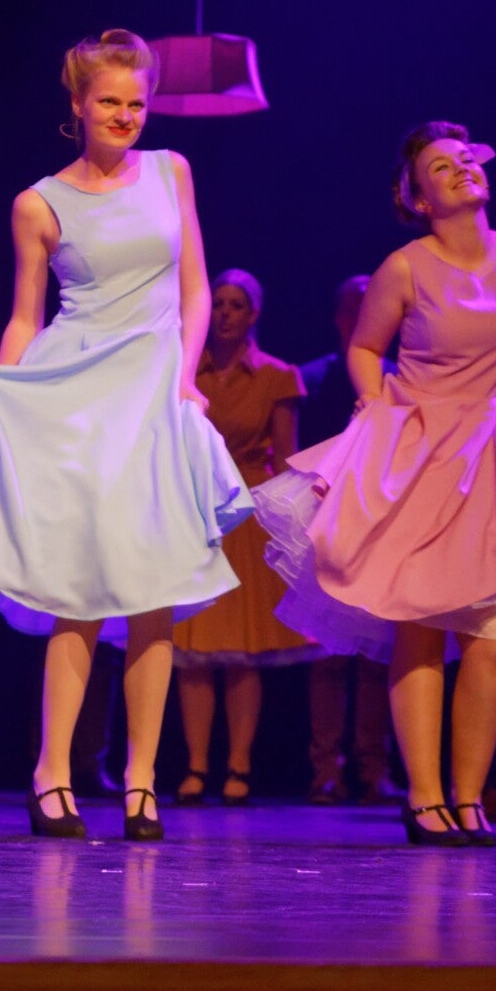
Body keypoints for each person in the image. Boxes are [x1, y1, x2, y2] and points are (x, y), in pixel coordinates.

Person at [0, 29, 250, 842]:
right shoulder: (39, 202)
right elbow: (26, 316)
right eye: (109, 102)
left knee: (157, 592)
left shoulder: (172, 171)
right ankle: (52, 774)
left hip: (155, 395)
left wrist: (184, 375)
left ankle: (143, 782)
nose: (125, 115)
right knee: (79, 595)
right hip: (79, 399)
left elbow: (195, 289)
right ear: (79, 106)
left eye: (137, 103)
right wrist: (0, 397)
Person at [253, 123, 496, 846]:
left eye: (466, 157)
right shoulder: (405, 267)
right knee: (422, 624)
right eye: (440, 166)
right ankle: (425, 797)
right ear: (420, 198)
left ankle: (470, 796)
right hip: (420, 450)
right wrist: (375, 402)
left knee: (491, 633)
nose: (461, 168)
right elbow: (365, 348)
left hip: (490, 452)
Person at [171, 269, 318, 805]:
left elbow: (286, 455)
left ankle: (239, 765)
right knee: (191, 647)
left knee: (240, 651)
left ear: (253, 314)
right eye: (219, 303)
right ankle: (195, 765)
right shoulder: (186, 371)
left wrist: (298, 522)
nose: (226, 313)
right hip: (196, 506)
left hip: (247, 510)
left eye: (236, 305)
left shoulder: (277, 375)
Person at [298, 275, 400, 805]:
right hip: (327, 515)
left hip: (381, 518)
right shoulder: (316, 378)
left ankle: (373, 765)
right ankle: (325, 768)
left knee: (379, 650)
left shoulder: (400, 379)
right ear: (341, 318)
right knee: (328, 651)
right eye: (355, 309)